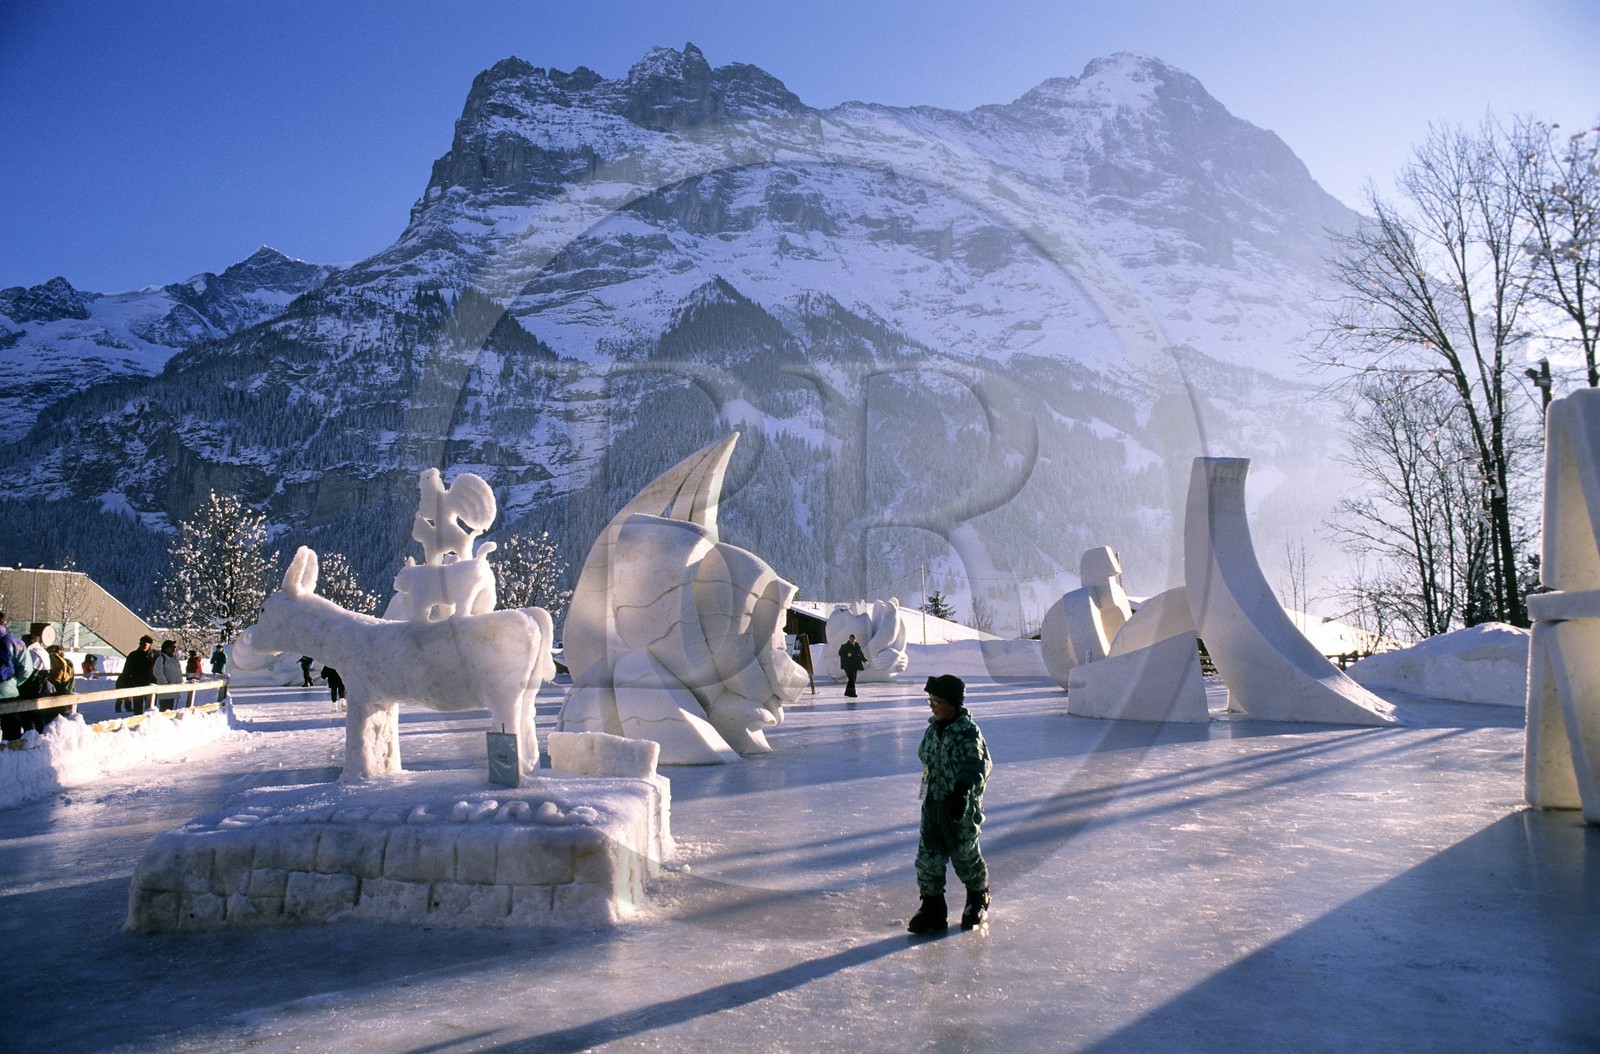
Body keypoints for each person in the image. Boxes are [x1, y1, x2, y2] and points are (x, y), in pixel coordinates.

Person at [908, 673, 992, 934]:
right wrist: (926, 792)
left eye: (937, 701)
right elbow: (925, 758)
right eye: (930, 701)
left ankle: (978, 897)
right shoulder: (932, 730)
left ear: (953, 704)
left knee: (965, 855)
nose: (932, 706)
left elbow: (975, 766)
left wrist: (962, 793)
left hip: (959, 807)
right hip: (933, 804)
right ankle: (932, 906)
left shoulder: (967, 733)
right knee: (928, 857)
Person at [116, 635, 158, 714]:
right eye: (141, 644)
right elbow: (126, 671)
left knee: (151, 706)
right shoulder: (133, 655)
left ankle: (149, 719)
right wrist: (126, 683)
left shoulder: (155, 656)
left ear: (149, 645)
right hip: (137, 683)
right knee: (138, 706)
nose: (142, 646)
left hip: (150, 683)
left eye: (144, 644)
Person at [153, 639, 183, 710]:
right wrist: (165, 682)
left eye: (174, 647)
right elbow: (157, 672)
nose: (174, 649)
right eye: (172, 647)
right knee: (165, 709)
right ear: (166, 649)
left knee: (170, 709)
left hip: (173, 688)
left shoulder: (174, 659)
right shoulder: (161, 658)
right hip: (165, 689)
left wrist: (179, 680)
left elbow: (179, 671)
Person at [838, 633, 867, 698]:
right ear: (849, 639)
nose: (852, 640)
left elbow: (861, 655)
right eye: (851, 639)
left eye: (853, 639)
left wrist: (864, 660)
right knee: (851, 679)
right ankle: (852, 693)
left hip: (855, 665)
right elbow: (840, 653)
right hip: (847, 665)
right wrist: (847, 655)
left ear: (855, 639)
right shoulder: (844, 646)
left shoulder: (857, 647)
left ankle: (847, 692)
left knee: (853, 679)